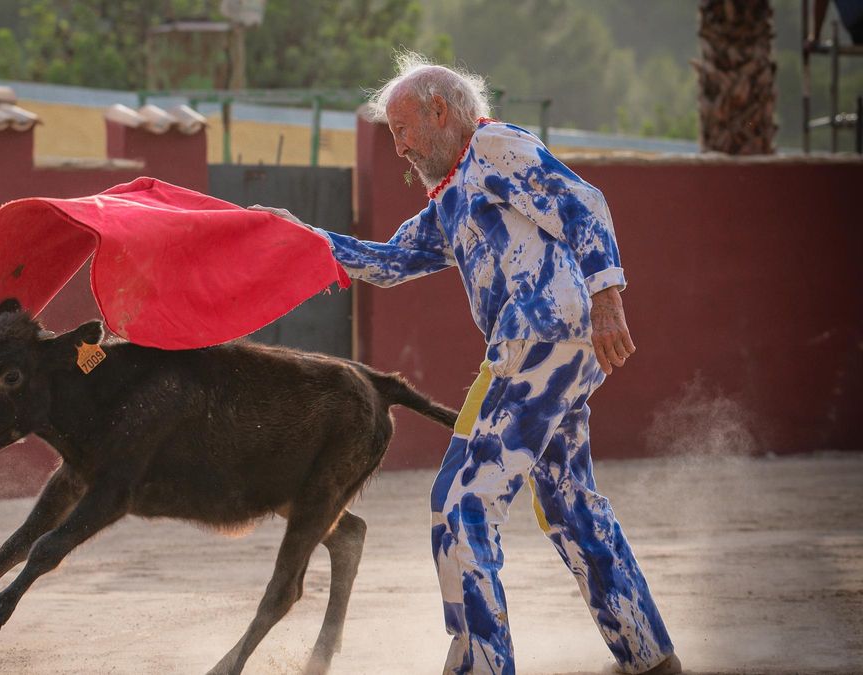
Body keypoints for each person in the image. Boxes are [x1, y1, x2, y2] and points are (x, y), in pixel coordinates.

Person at [253, 52, 681, 675]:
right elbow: (392, 261)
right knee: (569, 503)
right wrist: (305, 242)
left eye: (402, 130)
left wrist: (607, 296)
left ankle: (482, 665)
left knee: (461, 502)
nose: (397, 147)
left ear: (440, 110)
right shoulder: (453, 191)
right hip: (552, 347)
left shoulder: (494, 146)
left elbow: (582, 202)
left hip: (538, 340)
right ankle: (648, 655)